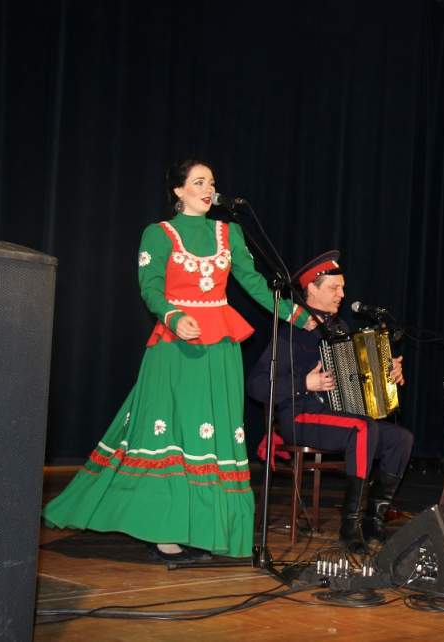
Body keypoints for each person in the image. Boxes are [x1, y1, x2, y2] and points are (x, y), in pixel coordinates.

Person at [42, 159, 314, 561]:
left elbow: (255, 284)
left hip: (219, 348)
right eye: (199, 182)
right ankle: (163, 527)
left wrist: (297, 314)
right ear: (178, 190)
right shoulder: (159, 234)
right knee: (172, 434)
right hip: (176, 346)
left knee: (214, 434)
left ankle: (212, 528)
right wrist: (173, 316)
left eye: (212, 183)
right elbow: (150, 287)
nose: (208, 189)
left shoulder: (229, 232)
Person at [247, 251, 413, 554]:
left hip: (339, 418)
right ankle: (349, 527)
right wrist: (303, 384)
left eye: (342, 287)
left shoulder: (341, 329)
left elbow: (361, 381)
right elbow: (257, 385)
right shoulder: (291, 330)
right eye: (334, 288)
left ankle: (372, 521)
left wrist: (389, 375)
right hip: (300, 416)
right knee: (363, 430)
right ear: (311, 288)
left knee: (401, 438)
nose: (342, 294)